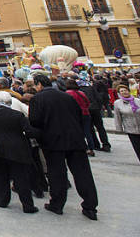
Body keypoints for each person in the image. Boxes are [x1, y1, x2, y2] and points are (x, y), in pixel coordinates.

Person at [29, 74, 99, 220]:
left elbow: (35, 122)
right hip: (75, 140)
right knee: (83, 173)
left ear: (39, 84)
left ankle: (57, 204)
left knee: (57, 174)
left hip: (53, 142)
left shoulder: (37, 99)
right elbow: (79, 115)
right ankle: (90, 206)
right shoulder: (67, 96)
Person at [0, 92, 39, 214]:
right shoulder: (18, 115)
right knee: (21, 178)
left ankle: (1, 200)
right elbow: (29, 132)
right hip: (16, 149)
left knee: (0, 175)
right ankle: (27, 205)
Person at [65, 79, 96, 156]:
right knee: (87, 132)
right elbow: (88, 102)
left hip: (76, 115)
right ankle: (91, 148)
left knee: (78, 131)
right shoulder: (81, 93)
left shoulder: (68, 93)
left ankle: (82, 147)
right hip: (86, 113)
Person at [114, 84, 140, 162]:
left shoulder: (137, 101)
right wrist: (119, 128)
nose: (124, 92)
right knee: (138, 148)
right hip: (130, 128)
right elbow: (117, 117)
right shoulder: (117, 103)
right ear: (119, 93)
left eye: (125, 90)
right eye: (121, 91)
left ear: (129, 91)